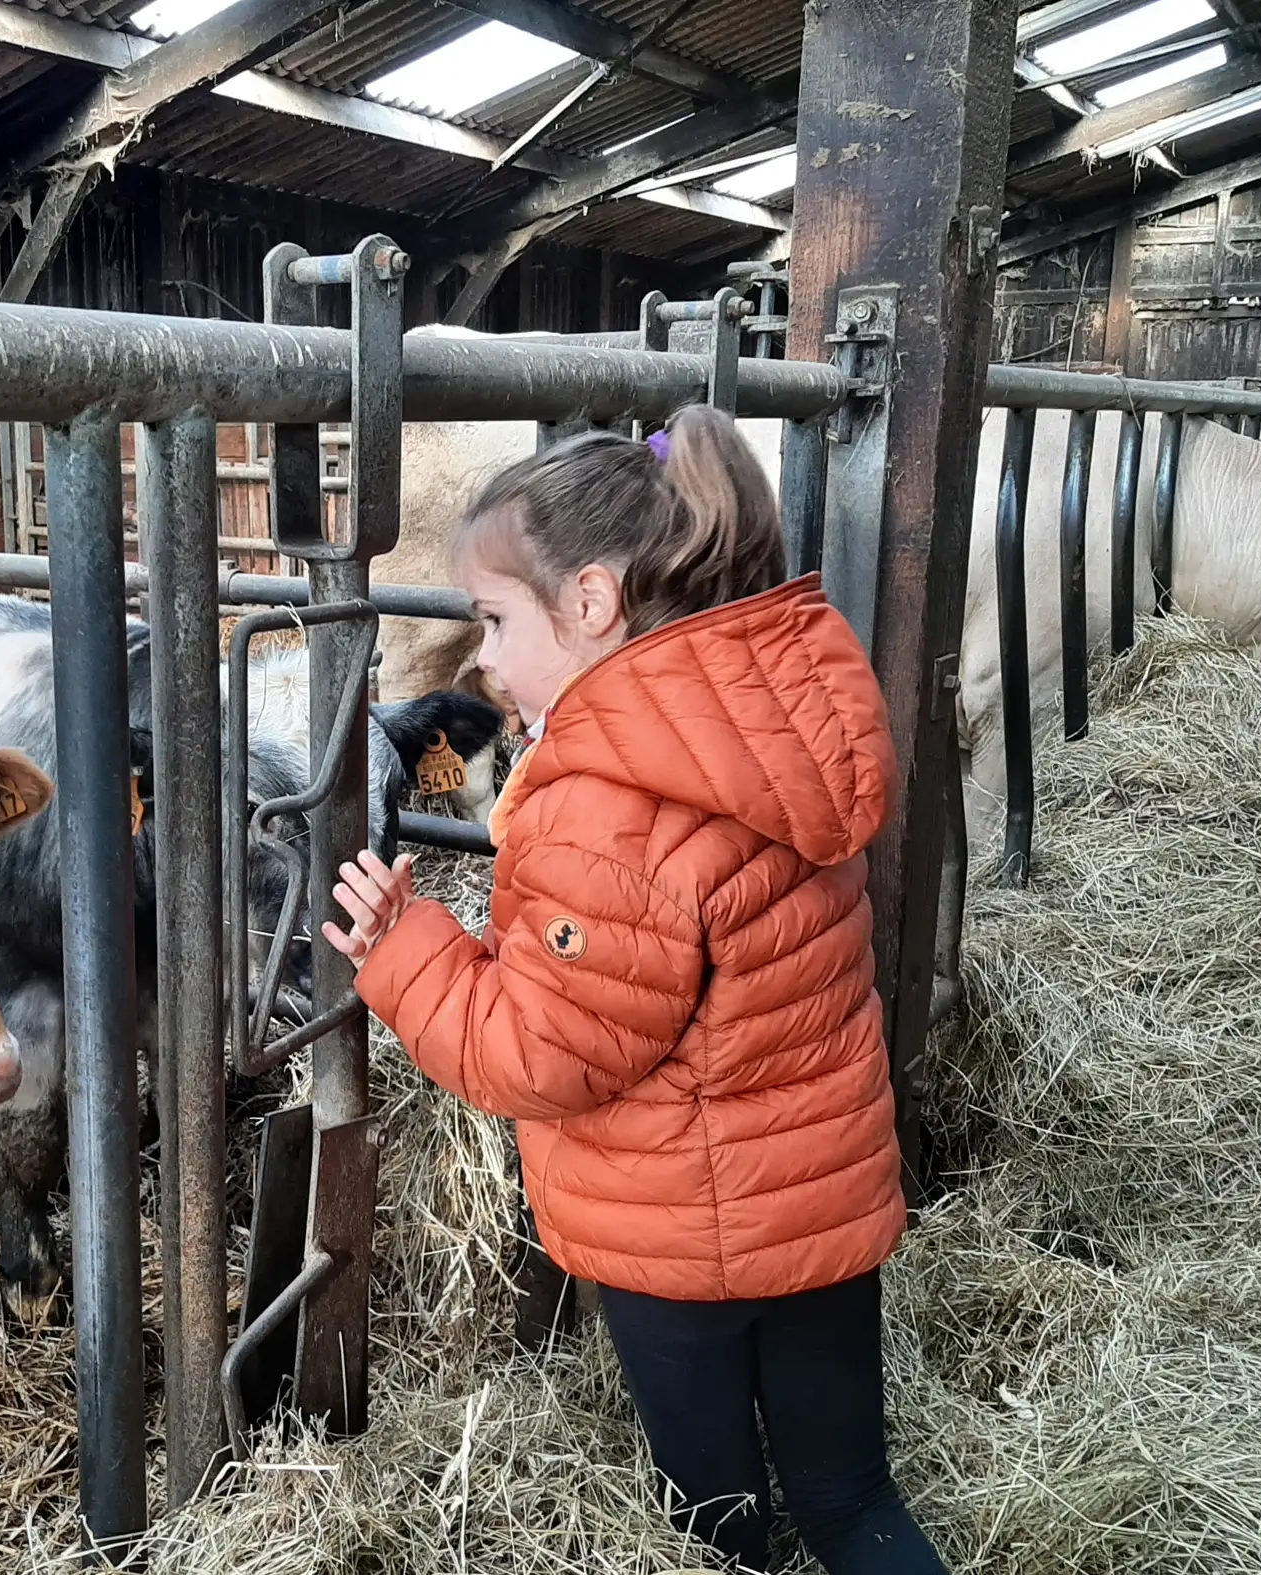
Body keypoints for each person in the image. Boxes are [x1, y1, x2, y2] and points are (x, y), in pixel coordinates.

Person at [322, 409, 947, 1575]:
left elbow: (543, 1055)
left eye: (495, 621)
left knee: (718, 1522)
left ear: (594, 602)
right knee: (853, 1500)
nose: (481, 661)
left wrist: (404, 952)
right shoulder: (777, 733)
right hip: (820, 1210)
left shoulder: (604, 805)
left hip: (679, 1247)